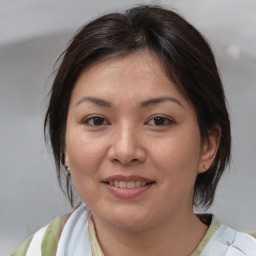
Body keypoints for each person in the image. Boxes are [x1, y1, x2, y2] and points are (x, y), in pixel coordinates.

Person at [12, 5, 256, 256]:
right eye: (96, 120)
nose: (125, 150)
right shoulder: (39, 251)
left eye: (159, 120)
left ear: (208, 146)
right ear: (64, 143)